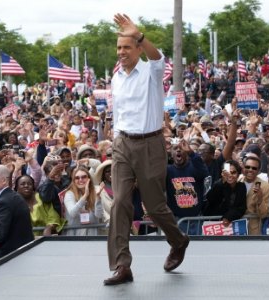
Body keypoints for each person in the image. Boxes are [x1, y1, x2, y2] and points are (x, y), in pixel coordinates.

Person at [104, 13, 190, 286]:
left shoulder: (151, 71)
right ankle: (121, 265)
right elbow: (119, 113)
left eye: (127, 47)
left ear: (138, 48)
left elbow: (158, 58)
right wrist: (116, 138)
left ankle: (178, 241)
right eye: (118, 48)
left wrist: (138, 32)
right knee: (119, 203)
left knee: (153, 205)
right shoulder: (116, 77)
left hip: (151, 143)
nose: (121, 52)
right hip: (122, 144)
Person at [0, 165, 34, 260]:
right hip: (20, 255)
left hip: (11, 258)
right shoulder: (12, 196)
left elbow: (0, 236)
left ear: (4, 181)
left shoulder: (4, 202)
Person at [63, 166, 104, 236]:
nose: (80, 180)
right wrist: (85, 196)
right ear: (74, 181)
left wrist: (98, 198)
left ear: (89, 179)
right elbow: (72, 213)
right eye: (77, 178)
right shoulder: (69, 194)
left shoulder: (95, 191)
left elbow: (99, 215)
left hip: (92, 233)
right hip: (75, 233)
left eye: (84, 177)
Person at [203, 160, 247, 225]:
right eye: (227, 173)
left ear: (238, 174)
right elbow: (210, 198)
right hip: (213, 224)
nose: (230, 175)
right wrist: (223, 181)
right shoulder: (218, 184)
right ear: (223, 173)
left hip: (231, 224)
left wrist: (228, 217)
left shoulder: (241, 187)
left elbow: (241, 208)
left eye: (233, 172)